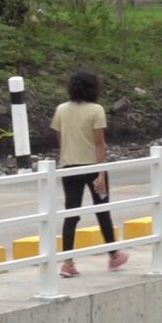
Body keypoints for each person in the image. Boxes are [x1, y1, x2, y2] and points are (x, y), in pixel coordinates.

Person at [51, 71, 128, 278]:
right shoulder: (96, 110)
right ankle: (113, 255)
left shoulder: (61, 109)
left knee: (71, 214)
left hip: (69, 167)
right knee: (103, 210)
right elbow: (99, 143)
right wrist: (101, 173)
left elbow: (60, 139)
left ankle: (68, 263)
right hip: (93, 168)